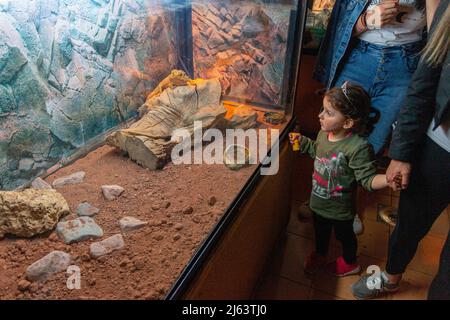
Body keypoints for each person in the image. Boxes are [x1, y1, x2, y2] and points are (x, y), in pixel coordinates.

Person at [351, 0, 449, 300]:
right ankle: (391, 276)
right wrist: (402, 153)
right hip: (440, 144)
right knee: (411, 219)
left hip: (404, 60)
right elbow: (426, 79)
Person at [290, 82, 392, 276]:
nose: (320, 115)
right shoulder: (324, 133)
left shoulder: (358, 148)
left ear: (347, 123)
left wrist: (387, 179)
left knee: (345, 237)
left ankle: (350, 262)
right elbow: (316, 150)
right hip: (318, 202)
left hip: (341, 210)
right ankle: (320, 254)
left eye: (328, 113)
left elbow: (368, 180)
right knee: (320, 232)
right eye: (323, 109)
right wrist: (302, 142)